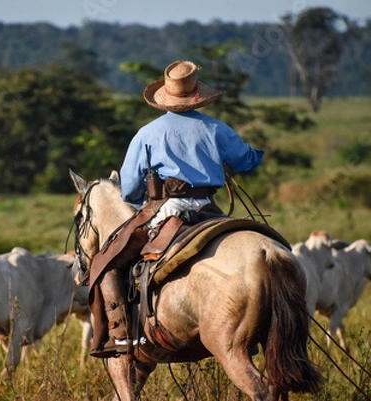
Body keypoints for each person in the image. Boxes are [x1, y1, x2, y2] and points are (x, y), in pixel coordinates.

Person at [91, 60, 264, 357]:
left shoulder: (146, 134)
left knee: (108, 261)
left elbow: (130, 187)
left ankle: (120, 336)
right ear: (197, 94)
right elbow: (247, 160)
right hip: (210, 208)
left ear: (165, 96)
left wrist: (141, 199)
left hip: (168, 208)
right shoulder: (216, 128)